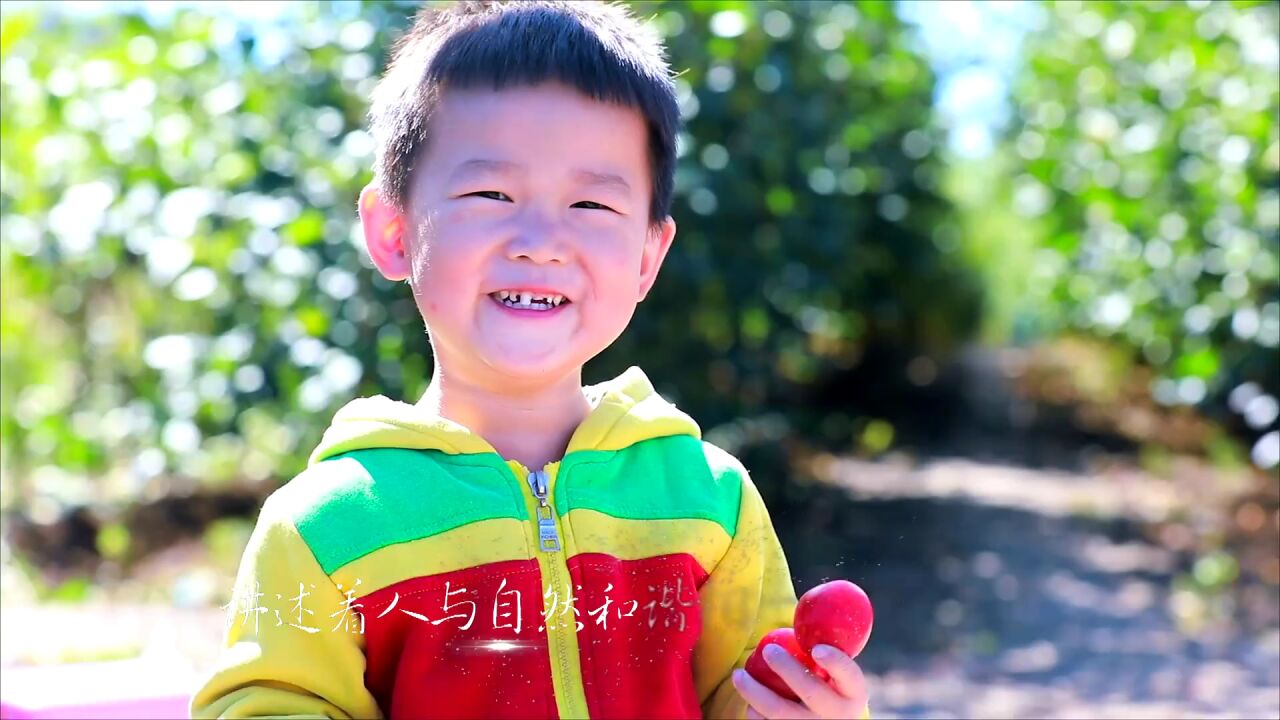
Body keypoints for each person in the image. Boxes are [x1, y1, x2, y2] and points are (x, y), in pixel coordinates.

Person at [189, 2, 869, 718]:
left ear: (646, 257)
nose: (541, 241)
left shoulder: (708, 502)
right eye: (491, 193)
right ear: (392, 231)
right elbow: (269, 700)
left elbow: (743, 693)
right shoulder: (326, 527)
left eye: (591, 206)